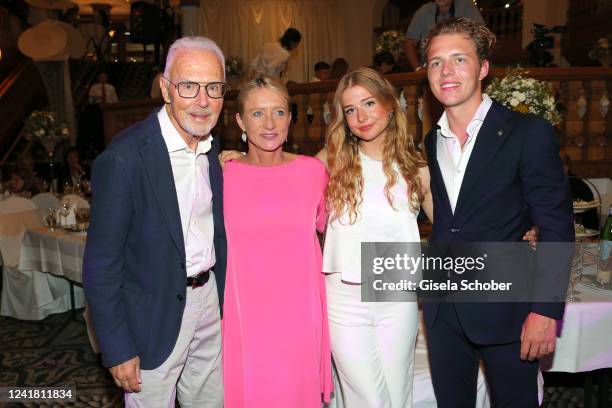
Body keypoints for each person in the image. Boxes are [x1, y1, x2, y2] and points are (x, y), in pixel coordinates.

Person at [421, 17, 573, 406]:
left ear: (483, 67)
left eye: (459, 59)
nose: (447, 72)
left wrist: (544, 310)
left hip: (508, 312)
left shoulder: (528, 132)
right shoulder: (431, 140)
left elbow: (556, 227)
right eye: (436, 62)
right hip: (443, 310)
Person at [83, 36, 227, 407]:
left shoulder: (210, 149)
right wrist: (117, 347)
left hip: (208, 301)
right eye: (188, 86)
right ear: (166, 89)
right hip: (153, 316)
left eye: (213, 88)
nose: (202, 100)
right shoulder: (125, 159)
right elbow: (102, 265)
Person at [317, 67, 432, 407]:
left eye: (368, 103)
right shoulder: (331, 162)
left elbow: (453, 225)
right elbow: (281, 191)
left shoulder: (417, 166)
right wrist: (240, 162)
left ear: (389, 105)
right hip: (344, 299)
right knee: (369, 399)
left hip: (397, 295)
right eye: (350, 110)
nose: (360, 116)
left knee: (397, 397)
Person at [222, 75, 332, 407]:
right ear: (240, 120)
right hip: (246, 318)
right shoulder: (221, 175)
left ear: (290, 118)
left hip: (300, 314)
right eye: (257, 113)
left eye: (279, 112)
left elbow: (340, 228)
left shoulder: (312, 171)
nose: (270, 123)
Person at [404, 0, 484, 71]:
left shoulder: (466, 6)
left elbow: (482, 36)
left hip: (462, 66)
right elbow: (409, 42)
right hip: (430, 68)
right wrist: (418, 69)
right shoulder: (424, 11)